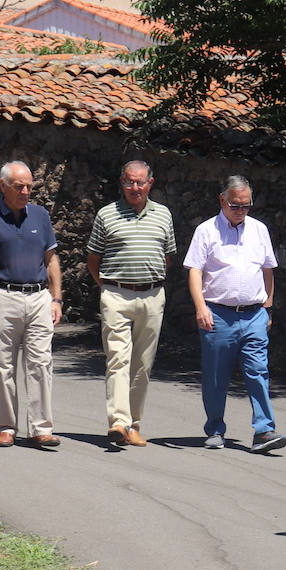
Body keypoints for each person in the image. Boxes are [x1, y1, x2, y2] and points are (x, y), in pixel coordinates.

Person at [184, 176, 286, 453]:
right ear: (222, 200)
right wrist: (200, 307)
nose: (241, 211)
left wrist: (268, 306)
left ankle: (264, 430)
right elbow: (195, 270)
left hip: (253, 314)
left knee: (258, 371)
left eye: (246, 206)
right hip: (217, 314)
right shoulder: (206, 231)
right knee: (216, 376)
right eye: (235, 205)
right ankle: (215, 429)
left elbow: (268, 269)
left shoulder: (259, 230)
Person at [0, 161, 62, 450]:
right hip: (2, 297)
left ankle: (41, 429)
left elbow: (52, 259)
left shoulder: (41, 216)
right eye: (19, 186)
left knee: (41, 364)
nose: (25, 191)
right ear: (3, 186)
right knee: (3, 365)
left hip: (38, 298)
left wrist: (56, 299)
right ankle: (7, 427)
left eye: (29, 186)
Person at [86, 160, 177, 447]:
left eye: (140, 182)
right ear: (121, 183)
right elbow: (93, 259)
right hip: (116, 295)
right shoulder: (106, 215)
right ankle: (118, 422)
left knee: (142, 365)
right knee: (117, 359)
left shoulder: (163, 215)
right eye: (129, 182)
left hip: (152, 296)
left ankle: (134, 424)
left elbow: (168, 256)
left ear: (151, 182)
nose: (135, 187)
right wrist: (109, 289)